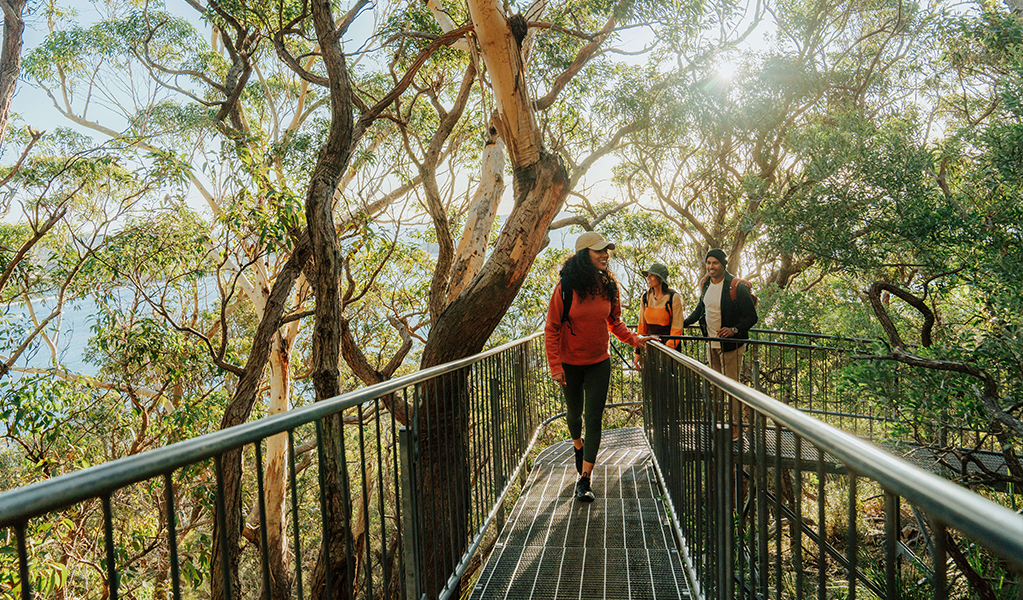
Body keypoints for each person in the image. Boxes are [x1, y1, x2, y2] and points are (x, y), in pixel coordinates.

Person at [545, 231, 654, 502]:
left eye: (606, 250)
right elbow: (552, 328)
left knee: (593, 419)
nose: (605, 254)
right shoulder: (566, 287)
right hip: (569, 364)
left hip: (599, 363)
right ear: (585, 255)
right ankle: (577, 446)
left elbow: (614, 322)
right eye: (598, 251)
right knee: (574, 417)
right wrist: (555, 366)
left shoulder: (609, 287)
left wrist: (635, 340)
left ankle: (584, 479)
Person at [682, 248, 758, 439]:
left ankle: (735, 426)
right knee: (717, 384)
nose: (711, 267)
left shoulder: (736, 286)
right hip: (711, 344)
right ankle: (739, 414)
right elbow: (700, 309)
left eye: (715, 263)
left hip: (731, 345)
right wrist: (680, 324)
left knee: (731, 385)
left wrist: (733, 330)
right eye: (708, 263)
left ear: (723, 265)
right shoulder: (706, 283)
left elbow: (751, 317)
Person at [636, 262, 685, 357]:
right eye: (648, 275)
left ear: (661, 279)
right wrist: (638, 352)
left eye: (652, 275)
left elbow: (677, 328)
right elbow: (642, 327)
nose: (648, 278)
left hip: (670, 349)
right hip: (650, 346)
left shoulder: (673, 298)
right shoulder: (646, 297)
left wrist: (666, 351)